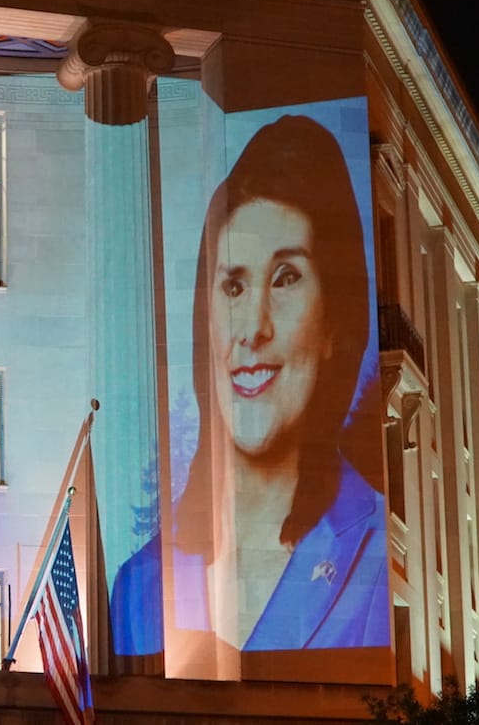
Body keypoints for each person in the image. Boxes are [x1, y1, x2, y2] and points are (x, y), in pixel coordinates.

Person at [111, 114, 387, 665]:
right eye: (234, 286)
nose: (253, 328)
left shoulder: (379, 553)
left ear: (333, 325)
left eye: (286, 278)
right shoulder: (138, 584)